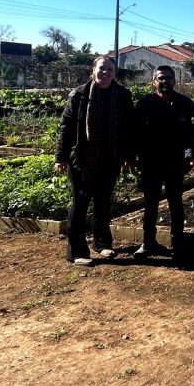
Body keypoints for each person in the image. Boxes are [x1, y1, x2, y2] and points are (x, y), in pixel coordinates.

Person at [55, 55, 135, 266]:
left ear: (114, 73)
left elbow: (130, 128)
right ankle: (77, 251)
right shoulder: (79, 95)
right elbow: (66, 127)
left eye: (110, 69)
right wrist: (61, 157)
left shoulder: (123, 95)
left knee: (102, 203)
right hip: (83, 159)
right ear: (93, 70)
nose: (105, 73)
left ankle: (102, 243)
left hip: (110, 159)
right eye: (102, 68)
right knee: (80, 204)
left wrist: (128, 155)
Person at [134, 66, 194, 262]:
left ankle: (177, 244)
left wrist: (190, 157)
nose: (165, 82)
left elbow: (193, 135)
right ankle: (148, 242)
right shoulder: (144, 104)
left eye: (169, 78)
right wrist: (134, 158)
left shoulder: (185, 104)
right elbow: (134, 135)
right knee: (151, 205)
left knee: (176, 205)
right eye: (161, 78)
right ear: (154, 82)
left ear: (174, 81)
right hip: (150, 164)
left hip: (176, 164)